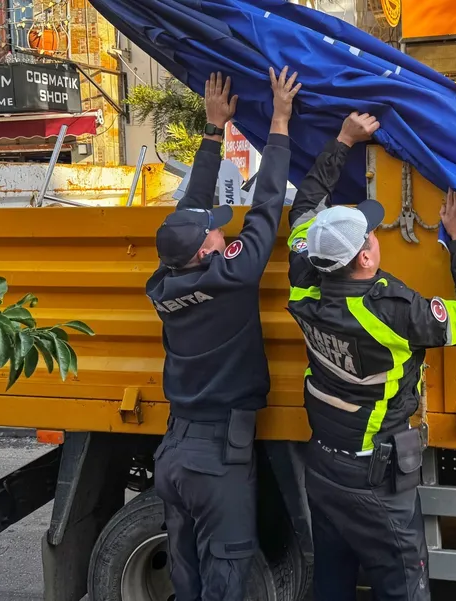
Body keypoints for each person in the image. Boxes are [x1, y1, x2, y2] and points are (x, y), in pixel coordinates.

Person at [285, 112, 456, 601]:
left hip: (324, 467)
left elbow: (304, 209)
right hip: (375, 482)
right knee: (403, 588)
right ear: (365, 257)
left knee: (331, 582)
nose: (375, 236)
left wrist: (343, 139)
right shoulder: (392, 312)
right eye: (371, 233)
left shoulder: (304, 283)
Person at [145, 66, 301, 601]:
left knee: (186, 578)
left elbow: (190, 215)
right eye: (215, 229)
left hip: (174, 454)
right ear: (206, 251)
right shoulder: (231, 277)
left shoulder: (164, 284)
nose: (221, 226)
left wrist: (215, 130)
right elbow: (268, 203)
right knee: (226, 579)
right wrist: (280, 120)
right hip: (216, 458)